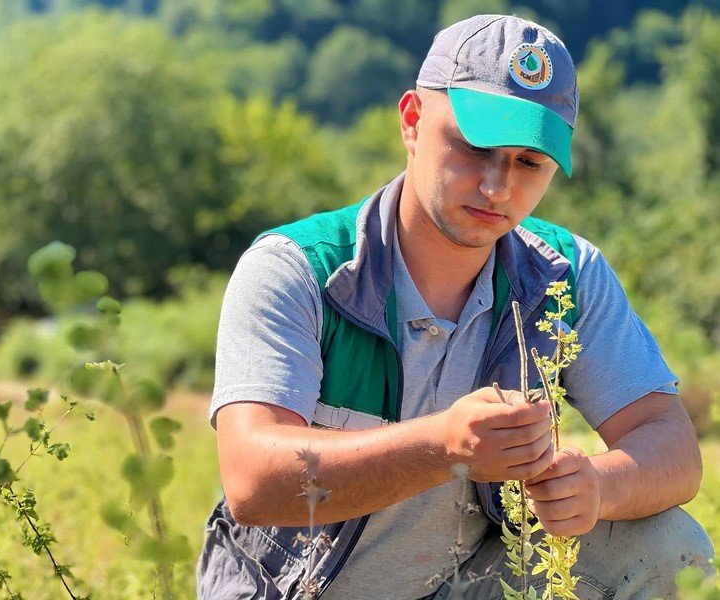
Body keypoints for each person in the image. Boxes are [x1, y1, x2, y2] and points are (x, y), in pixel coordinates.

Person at [197, 14, 714, 600]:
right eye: (475, 146)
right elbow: (253, 480)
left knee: (669, 546)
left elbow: (670, 445)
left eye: (529, 162)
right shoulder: (299, 268)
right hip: (294, 591)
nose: (497, 187)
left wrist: (598, 484)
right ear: (412, 121)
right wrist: (443, 447)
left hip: (465, 584)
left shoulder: (565, 274)